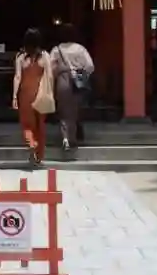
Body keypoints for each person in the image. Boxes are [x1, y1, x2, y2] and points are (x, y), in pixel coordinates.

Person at [49, 24, 95, 161]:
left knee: (63, 112)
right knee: (74, 112)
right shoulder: (80, 49)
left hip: (62, 81)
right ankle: (73, 138)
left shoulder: (56, 50)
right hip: (77, 82)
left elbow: (50, 69)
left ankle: (65, 139)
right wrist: (82, 74)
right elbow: (90, 66)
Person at [12, 28, 54, 167]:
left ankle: (31, 143)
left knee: (27, 124)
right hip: (41, 93)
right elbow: (49, 76)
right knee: (40, 125)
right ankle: (39, 156)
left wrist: (14, 96)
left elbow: (17, 77)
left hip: (25, 94)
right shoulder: (45, 56)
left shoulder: (21, 57)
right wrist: (50, 93)